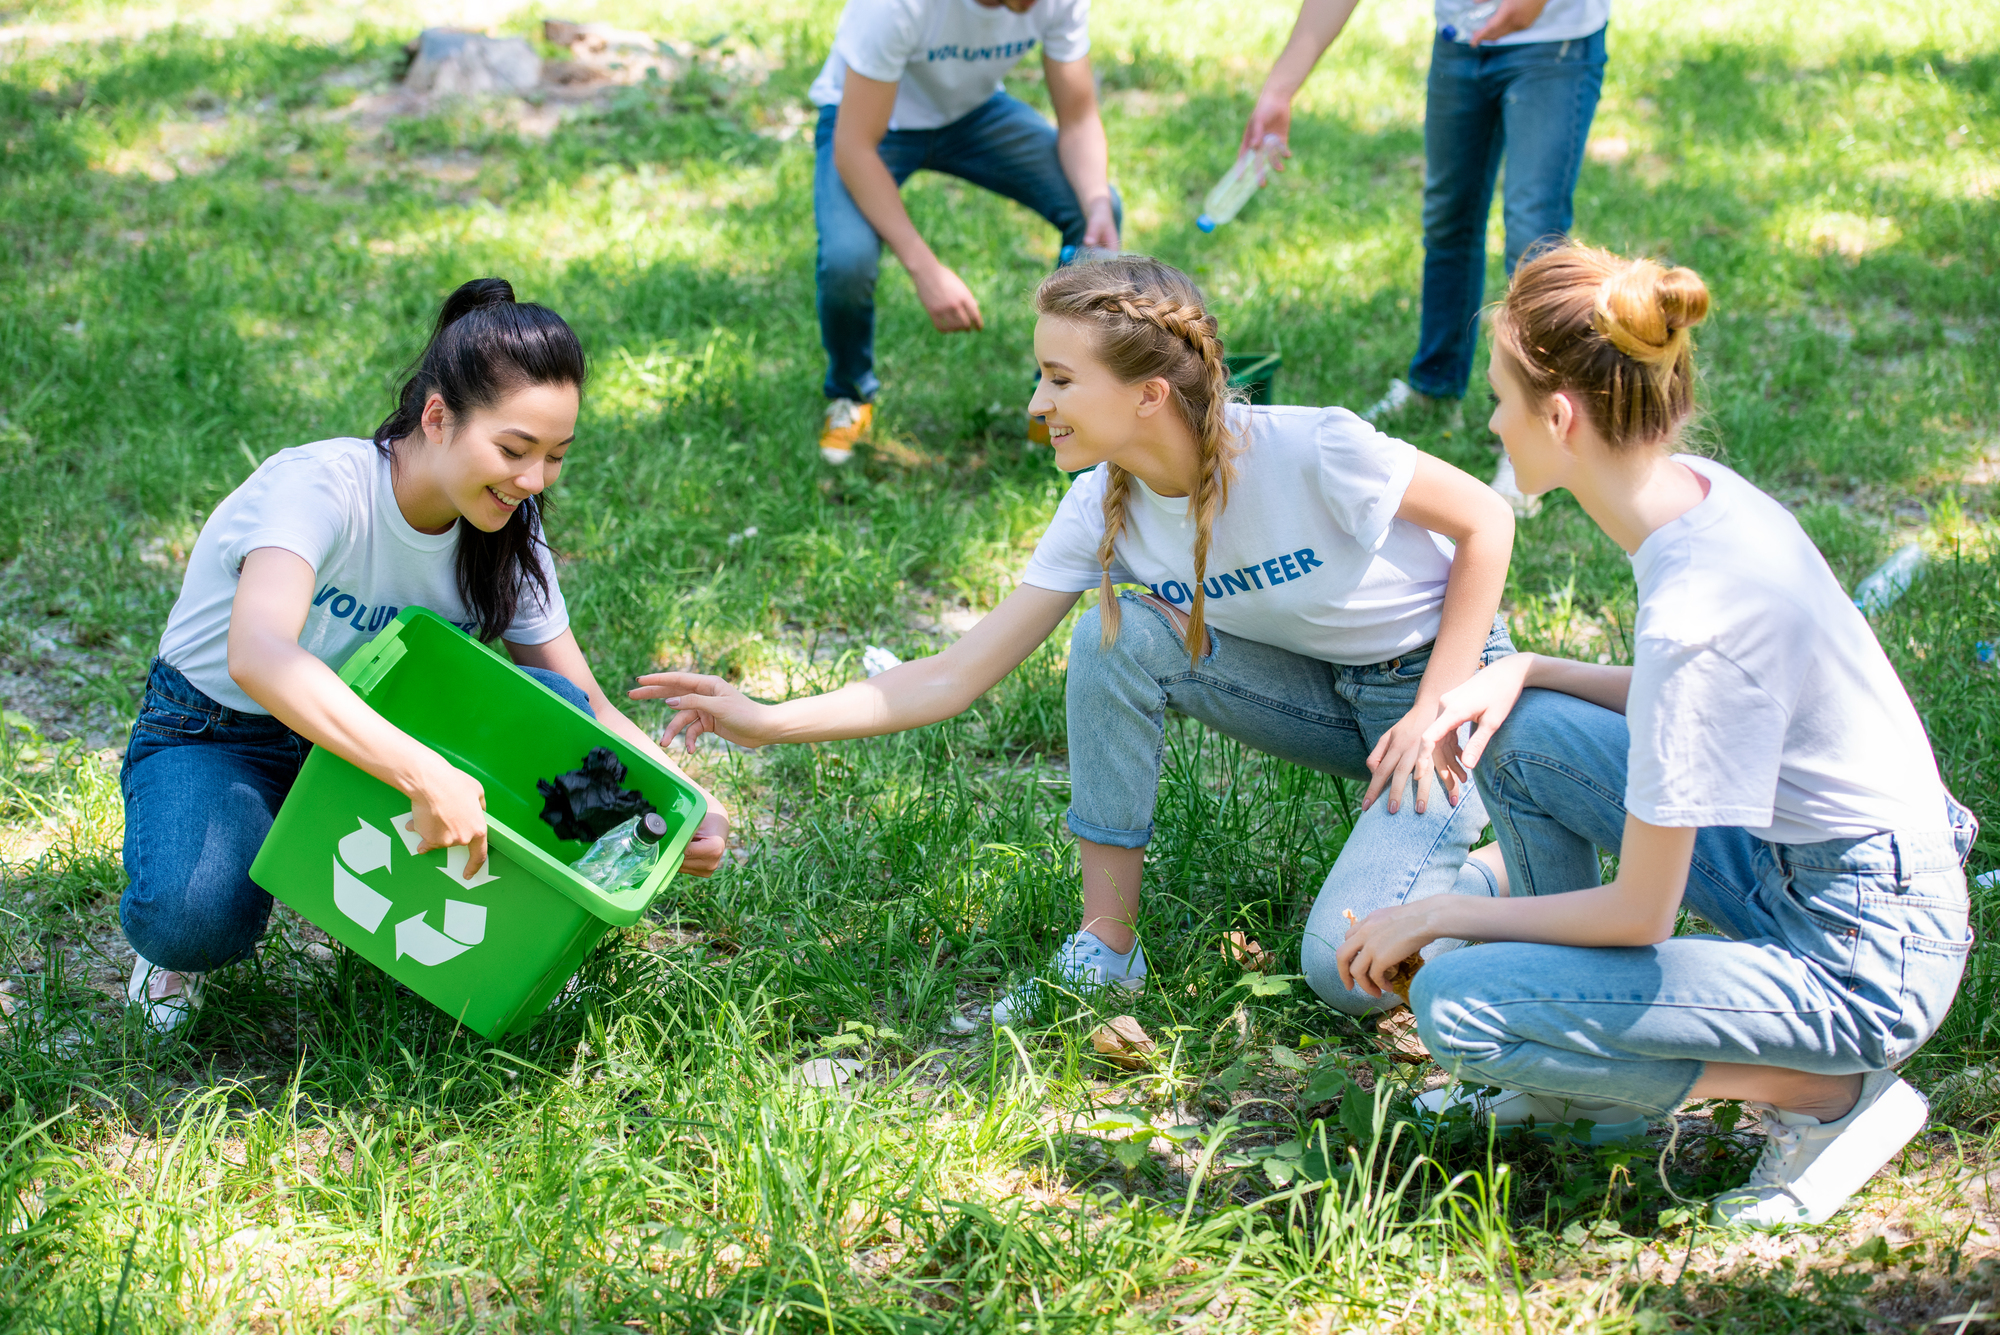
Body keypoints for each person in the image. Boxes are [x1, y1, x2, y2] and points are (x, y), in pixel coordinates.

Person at [633, 255, 1516, 1025]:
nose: (1036, 403)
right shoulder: (1101, 501)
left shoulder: (1310, 446)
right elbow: (952, 675)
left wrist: (1438, 709)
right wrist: (765, 719)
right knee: (1117, 630)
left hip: (1447, 693)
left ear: (1148, 393)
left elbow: (1486, 518)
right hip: (1320, 695)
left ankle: (1505, 873)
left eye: (1059, 379)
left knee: (1345, 973)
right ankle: (1107, 948)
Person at [1335, 244, 1976, 1228]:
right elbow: (1703, 704)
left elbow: (1639, 913)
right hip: (1820, 863)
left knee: (1456, 1004)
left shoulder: (1692, 610)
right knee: (1527, 729)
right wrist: (1527, 668)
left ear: (1559, 417)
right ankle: (1577, 1068)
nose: (1493, 421)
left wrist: (1431, 918)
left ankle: (1829, 1094)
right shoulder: (1697, 498)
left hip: (1862, 960)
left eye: (1502, 399)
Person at [121, 279, 730, 1033]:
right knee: (194, 920)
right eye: (514, 449)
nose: (534, 480)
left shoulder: (507, 528)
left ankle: (472, 923)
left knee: (560, 715)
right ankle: (184, 936)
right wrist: (421, 770)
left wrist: (683, 804)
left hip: (373, 741)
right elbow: (259, 653)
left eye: (555, 457)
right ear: (437, 417)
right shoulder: (321, 487)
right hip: (221, 731)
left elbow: (589, 706)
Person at [1241, 0, 1609, 515]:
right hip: (1460, 41)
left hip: (1555, 43)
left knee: (1533, 235)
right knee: (1448, 218)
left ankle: (1538, 429)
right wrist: (1279, 88)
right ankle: (1436, 384)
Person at [808, 0, 1120, 465]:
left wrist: (1096, 201)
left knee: (1096, 207)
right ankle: (850, 394)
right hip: (871, 124)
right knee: (848, 260)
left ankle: (1059, 398)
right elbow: (854, 148)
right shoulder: (896, 7)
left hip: (973, 115)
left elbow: (1077, 119)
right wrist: (925, 268)